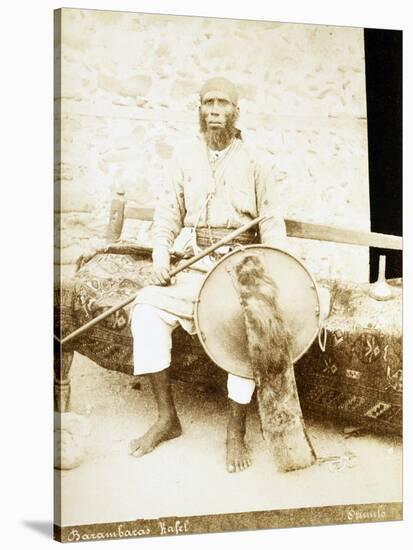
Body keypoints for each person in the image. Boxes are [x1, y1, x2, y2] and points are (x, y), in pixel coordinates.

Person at [129, 77, 289, 473]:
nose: (214, 110)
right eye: (208, 103)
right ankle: (167, 419)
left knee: (249, 324)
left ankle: (236, 430)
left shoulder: (257, 162)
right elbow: (168, 211)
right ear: (199, 110)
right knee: (147, 309)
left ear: (236, 112)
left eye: (223, 103)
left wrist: (276, 270)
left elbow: (272, 222)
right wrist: (161, 252)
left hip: (240, 265)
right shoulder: (184, 158)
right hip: (196, 262)